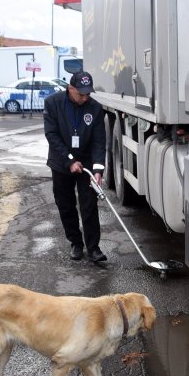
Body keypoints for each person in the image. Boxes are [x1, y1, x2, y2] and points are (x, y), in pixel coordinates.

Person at [43, 71, 107, 262]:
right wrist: (69, 160)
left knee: (89, 204)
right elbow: (51, 134)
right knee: (66, 205)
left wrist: (97, 170)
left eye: (88, 93)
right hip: (61, 162)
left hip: (85, 161)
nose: (85, 97)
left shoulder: (95, 108)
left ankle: (94, 247)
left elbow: (99, 141)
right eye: (81, 93)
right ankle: (76, 243)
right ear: (70, 88)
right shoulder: (53, 103)